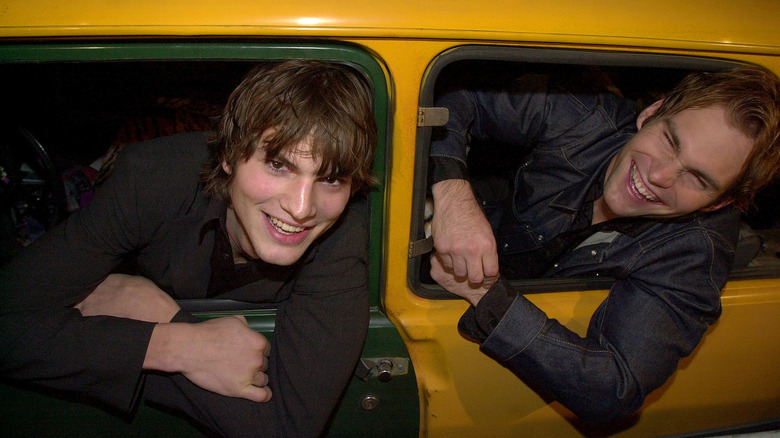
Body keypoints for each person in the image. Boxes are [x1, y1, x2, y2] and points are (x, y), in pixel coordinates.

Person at [0, 59, 377, 437]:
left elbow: (288, 429)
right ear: (228, 155)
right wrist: (172, 345)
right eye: (278, 165)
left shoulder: (341, 234)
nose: (302, 207)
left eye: (331, 178)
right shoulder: (152, 180)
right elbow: (8, 319)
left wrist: (162, 318)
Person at [428, 65, 780, 422]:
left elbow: (614, 388)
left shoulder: (696, 250)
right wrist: (453, 195)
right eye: (670, 141)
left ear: (719, 203)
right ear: (652, 113)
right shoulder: (584, 117)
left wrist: (485, 293)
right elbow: (448, 94)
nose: (659, 176)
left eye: (698, 178)